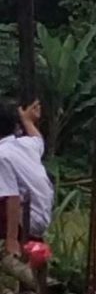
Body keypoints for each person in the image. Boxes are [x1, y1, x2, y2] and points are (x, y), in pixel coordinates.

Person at [0, 100, 54, 257]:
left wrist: (11, 240)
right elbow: (38, 139)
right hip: (40, 217)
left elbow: (12, 197)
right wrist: (28, 121)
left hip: (27, 220)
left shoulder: (2, 156)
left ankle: (14, 240)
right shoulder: (26, 144)